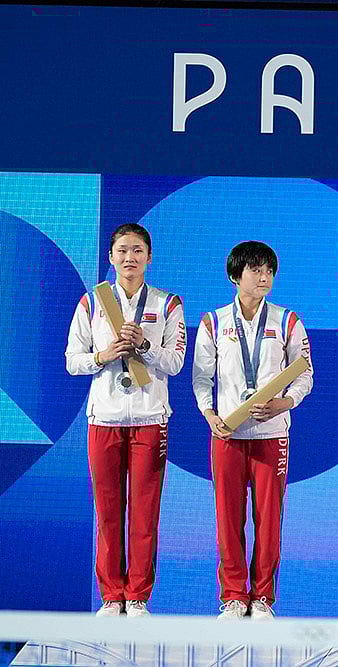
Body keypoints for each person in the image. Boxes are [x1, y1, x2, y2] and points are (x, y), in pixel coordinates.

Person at [65, 223, 186, 617]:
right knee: (108, 512)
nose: (129, 258)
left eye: (137, 251)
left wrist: (144, 345)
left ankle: (136, 597)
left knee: (145, 513)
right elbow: (72, 361)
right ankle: (111, 596)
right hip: (104, 419)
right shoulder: (92, 302)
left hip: (151, 419)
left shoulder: (167, 304)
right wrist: (104, 355)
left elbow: (176, 362)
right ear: (111, 257)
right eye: (122, 251)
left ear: (149, 257)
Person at [192, 241, 313, 620]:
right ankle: (233, 596)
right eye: (256, 270)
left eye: (269, 271)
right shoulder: (213, 322)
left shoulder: (287, 321)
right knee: (228, 519)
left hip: (271, 435)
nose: (264, 278)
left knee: (268, 519)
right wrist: (209, 414)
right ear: (235, 275)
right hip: (227, 435)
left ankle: (262, 597)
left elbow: (305, 374)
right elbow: (201, 377)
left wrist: (285, 403)